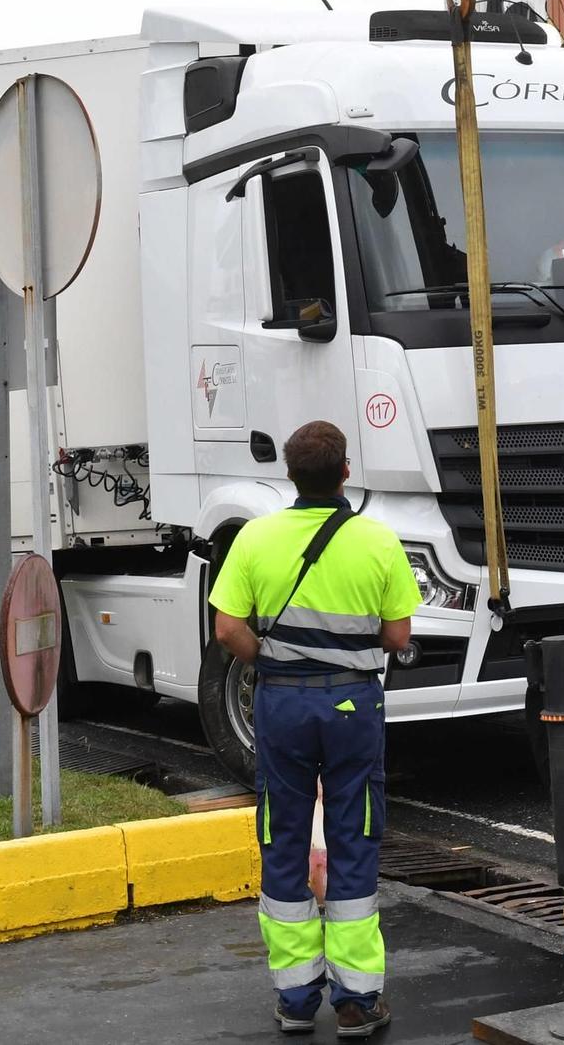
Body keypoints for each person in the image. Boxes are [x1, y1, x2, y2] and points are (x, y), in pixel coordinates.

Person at [209, 420, 418, 1039]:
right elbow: (399, 636)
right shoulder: (378, 541)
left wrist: (268, 660)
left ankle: (296, 999)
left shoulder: (255, 538)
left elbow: (226, 630)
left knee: (284, 836)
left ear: (291, 475)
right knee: (354, 834)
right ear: (345, 472)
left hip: (281, 704)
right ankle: (356, 1000)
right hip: (353, 705)